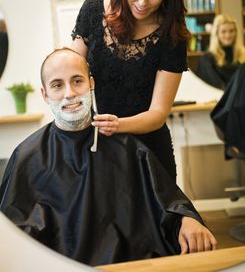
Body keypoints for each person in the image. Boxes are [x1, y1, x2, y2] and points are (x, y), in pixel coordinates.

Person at [0, 48, 217, 266]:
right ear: (45, 94)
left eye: (77, 81)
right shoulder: (27, 155)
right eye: (57, 85)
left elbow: (167, 200)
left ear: (91, 83)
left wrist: (187, 219)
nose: (69, 93)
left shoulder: (126, 146)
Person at [71, 0, 191, 181]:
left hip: (148, 152)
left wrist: (118, 125)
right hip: (96, 148)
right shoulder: (94, 9)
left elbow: (158, 113)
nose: (143, 2)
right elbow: (72, 73)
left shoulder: (172, 35)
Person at [196, 14, 245, 90]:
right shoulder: (207, 59)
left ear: (236, 32)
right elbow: (215, 87)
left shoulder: (243, 55)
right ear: (217, 34)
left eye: (231, 31)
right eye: (223, 31)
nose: (228, 35)